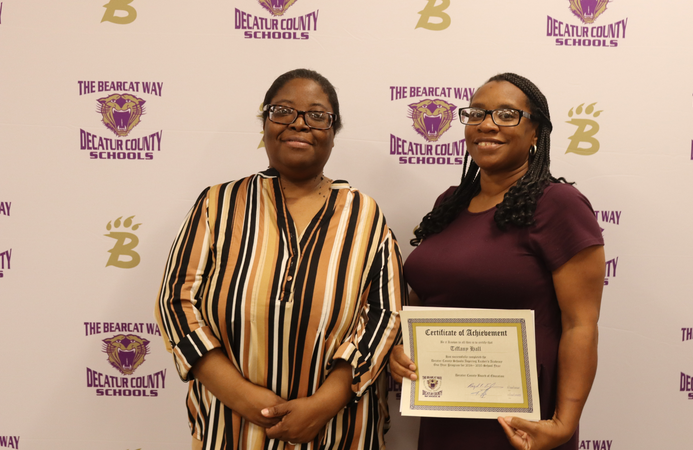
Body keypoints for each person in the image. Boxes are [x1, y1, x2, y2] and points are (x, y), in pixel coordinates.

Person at [156, 69, 406, 450]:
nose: (299, 124)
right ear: (265, 124)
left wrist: (324, 404)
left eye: (317, 115)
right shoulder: (218, 204)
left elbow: (384, 316)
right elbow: (176, 302)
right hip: (233, 428)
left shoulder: (365, 215)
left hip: (337, 431)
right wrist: (244, 398)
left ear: (333, 133)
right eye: (283, 111)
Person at [389, 73, 605, 450]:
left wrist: (563, 425)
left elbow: (580, 326)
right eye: (477, 114)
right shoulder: (450, 203)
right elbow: (430, 301)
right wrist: (403, 350)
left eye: (507, 114)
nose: (487, 124)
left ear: (536, 132)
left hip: (520, 426)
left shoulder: (558, 205)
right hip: (446, 412)